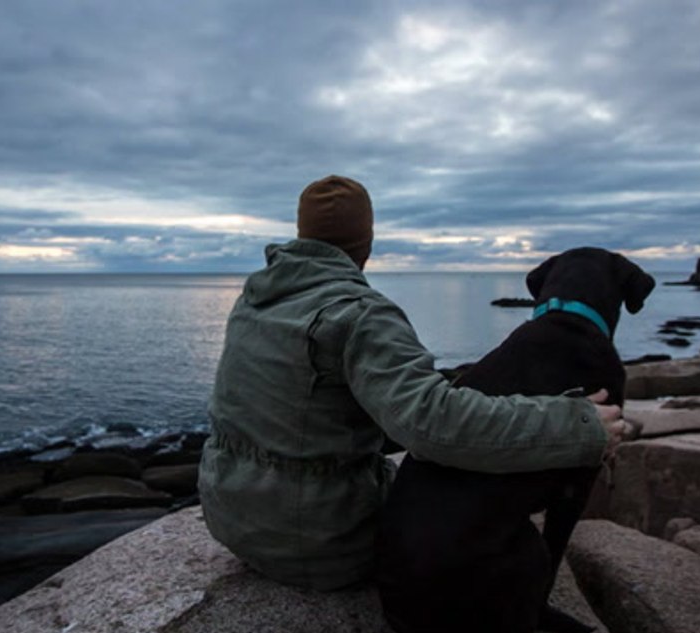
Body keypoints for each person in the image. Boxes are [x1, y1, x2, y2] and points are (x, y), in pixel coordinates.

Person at [197, 175, 624, 591]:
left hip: (231, 516)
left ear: (302, 234)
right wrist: (576, 425)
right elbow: (433, 424)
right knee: (458, 504)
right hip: (321, 544)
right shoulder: (360, 315)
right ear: (365, 244)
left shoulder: (256, 299)